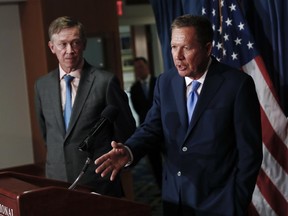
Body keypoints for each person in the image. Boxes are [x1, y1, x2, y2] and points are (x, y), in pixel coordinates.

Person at [95, 14, 263, 215]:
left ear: (207, 48)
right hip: (175, 200)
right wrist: (129, 150)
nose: (178, 56)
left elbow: (249, 153)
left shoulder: (236, 85)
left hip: (219, 202)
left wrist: (236, 201)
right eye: (174, 47)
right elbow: (152, 128)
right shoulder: (165, 82)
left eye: (187, 48)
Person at [34, 16, 136, 197]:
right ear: (51, 47)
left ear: (84, 44)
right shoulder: (42, 86)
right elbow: (46, 134)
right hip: (56, 183)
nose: (69, 50)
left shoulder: (105, 81)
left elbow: (125, 131)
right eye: (62, 44)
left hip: (98, 183)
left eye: (75, 43)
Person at [130, 57, 162, 188]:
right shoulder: (134, 88)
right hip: (147, 129)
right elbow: (138, 109)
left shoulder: (158, 82)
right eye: (136, 68)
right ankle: (161, 186)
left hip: (165, 128)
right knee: (155, 162)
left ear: (147, 67)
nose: (139, 70)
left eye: (141, 67)